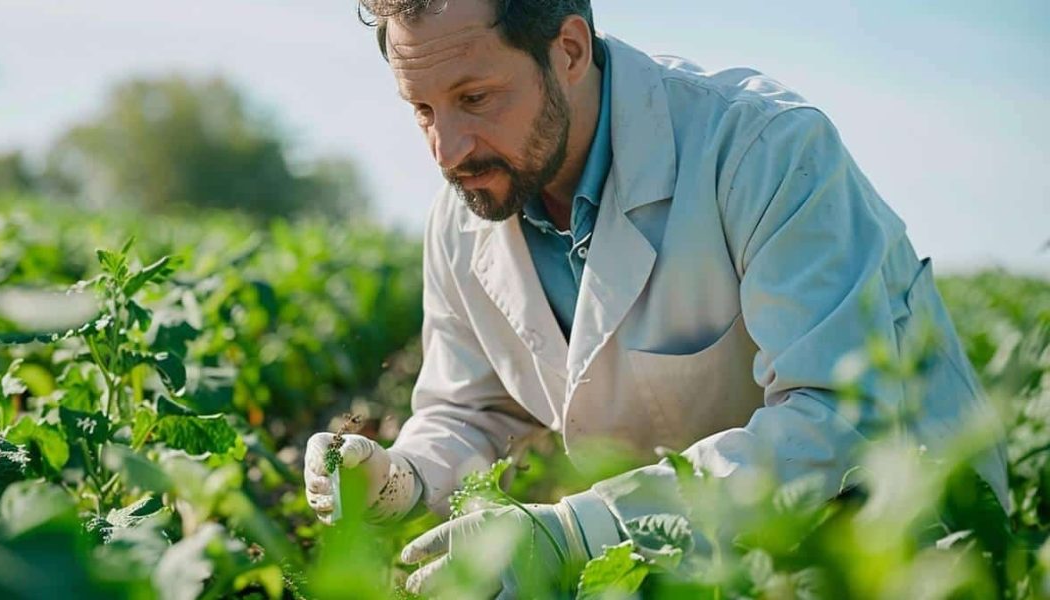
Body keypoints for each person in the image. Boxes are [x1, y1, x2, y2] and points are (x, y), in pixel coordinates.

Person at [305, 0, 1009, 594]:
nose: (447, 149)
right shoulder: (465, 214)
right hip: (695, 547)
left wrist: (580, 531)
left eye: (475, 99)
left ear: (570, 51)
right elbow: (470, 408)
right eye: (422, 108)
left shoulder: (764, 151)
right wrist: (403, 477)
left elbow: (835, 422)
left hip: (903, 543)